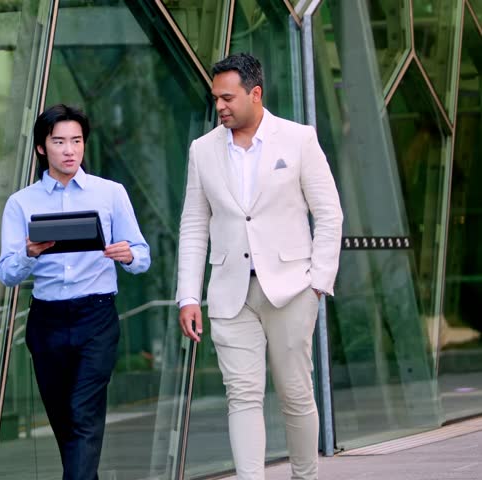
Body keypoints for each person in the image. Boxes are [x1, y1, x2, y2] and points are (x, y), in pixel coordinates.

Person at [176, 53, 343, 480]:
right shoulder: (203, 150)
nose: (220, 107)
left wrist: (318, 283)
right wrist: (189, 295)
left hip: (291, 288)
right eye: (215, 99)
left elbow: (329, 214)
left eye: (228, 97)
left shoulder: (299, 139)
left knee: (295, 394)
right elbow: (194, 225)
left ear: (255, 93)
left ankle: (306, 475)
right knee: (243, 396)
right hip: (230, 292)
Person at [0, 104, 150, 480]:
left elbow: (142, 256)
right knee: (65, 425)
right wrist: (29, 254)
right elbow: (6, 273)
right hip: (46, 322)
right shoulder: (21, 203)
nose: (70, 150)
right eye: (60, 141)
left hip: (96, 318)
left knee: (84, 415)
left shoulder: (110, 194)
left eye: (77, 141)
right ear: (41, 148)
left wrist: (127, 254)